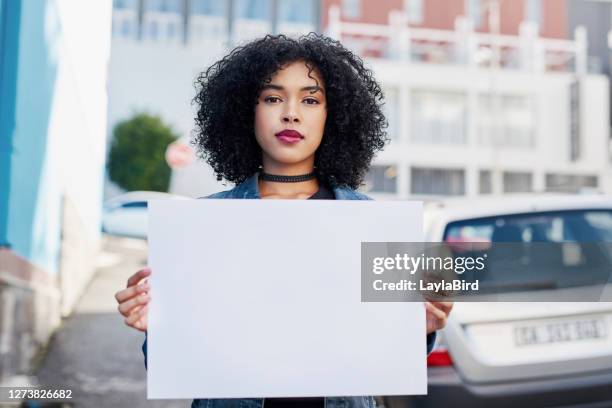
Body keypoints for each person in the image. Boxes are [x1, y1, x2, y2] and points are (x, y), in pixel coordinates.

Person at [114, 33, 453, 408]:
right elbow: (170, 364)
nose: (291, 112)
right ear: (247, 110)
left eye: (311, 99)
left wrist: (416, 330)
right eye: (273, 98)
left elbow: (386, 358)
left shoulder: (371, 224)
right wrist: (156, 326)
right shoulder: (203, 227)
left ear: (333, 114)